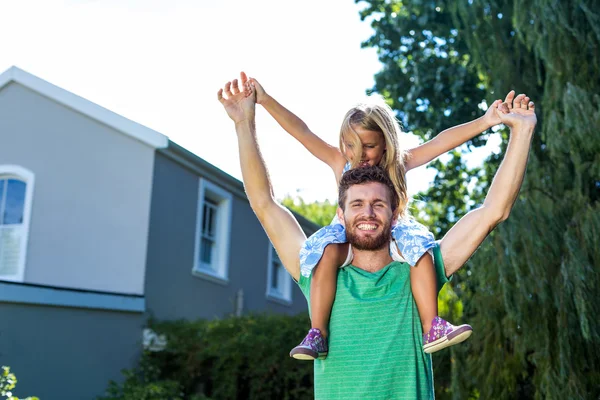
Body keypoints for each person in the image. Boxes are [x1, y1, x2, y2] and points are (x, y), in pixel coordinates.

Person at [217, 74, 536, 399]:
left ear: (395, 210)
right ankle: (317, 332)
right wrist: (247, 121)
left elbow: (492, 209)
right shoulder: (317, 272)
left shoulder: (419, 268)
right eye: (356, 203)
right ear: (341, 212)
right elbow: (264, 202)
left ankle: (433, 326)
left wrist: (516, 129)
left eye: (378, 204)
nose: (368, 212)